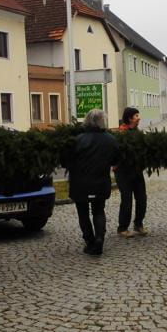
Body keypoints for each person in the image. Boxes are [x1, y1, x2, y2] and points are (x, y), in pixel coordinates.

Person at [67, 110, 120, 255]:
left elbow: (67, 160)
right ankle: (99, 239)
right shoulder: (110, 139)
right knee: (98, 210)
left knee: (83, 213)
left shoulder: (77, 140)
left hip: (79, 183)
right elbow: (116, 159)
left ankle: (89, 241)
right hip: (100, 181)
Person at [115, 107, 148, 237]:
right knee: (127, 201)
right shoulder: (122, 133)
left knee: (142, 199)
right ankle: (122, 228)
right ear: (130, 118)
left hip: (137, 172)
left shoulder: (138, 132)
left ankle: (138, 224)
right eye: (136, 116)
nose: (139, 118)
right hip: (123, 173)